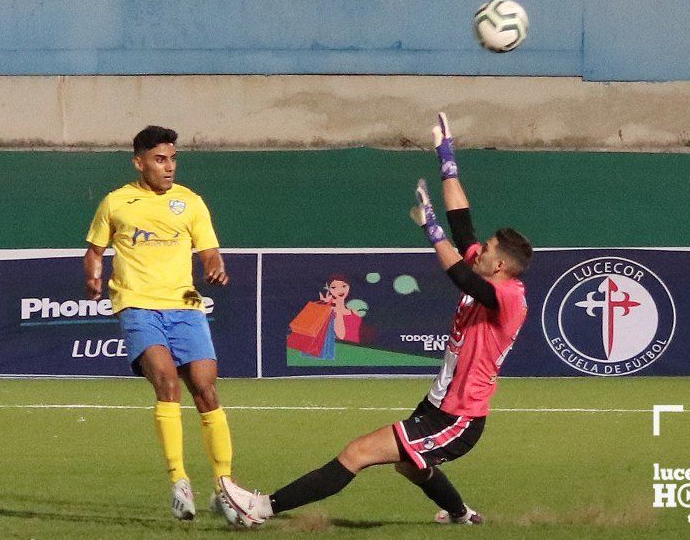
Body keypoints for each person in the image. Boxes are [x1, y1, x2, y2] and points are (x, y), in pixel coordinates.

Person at [218, 113, 533, 527]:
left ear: (502, 265)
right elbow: (464, 226)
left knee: (357, 453)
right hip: (440, 404)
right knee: (409, 465)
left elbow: (459, 272)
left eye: (489, 249)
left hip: (459, 417)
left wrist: (432, 230)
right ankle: (462, 515)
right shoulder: (490, 272)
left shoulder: (508, 298)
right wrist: (446, 156)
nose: (480, 249)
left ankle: (260, 509)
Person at [83, 125, 236, 521]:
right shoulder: (117, 202)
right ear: (140, 162)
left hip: (185, 306)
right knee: (167, 383)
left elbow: (210, 252)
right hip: (137, 305)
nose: (169, 168)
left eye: (173, 159)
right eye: (160, 160)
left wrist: (216, 268)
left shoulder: (191, 202)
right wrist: (93, 275)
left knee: (206, 390)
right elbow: (95, 249)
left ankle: (224, 485)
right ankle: (179, 482)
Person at [318, 273, 362, 343]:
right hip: (339, 349)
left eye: (344, 286)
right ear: (329, 289)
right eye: (334, 287)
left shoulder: (354, 312)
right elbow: (341, 336)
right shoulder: (330, 311)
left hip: (357, 349)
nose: (340, 290)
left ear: (349, 287)